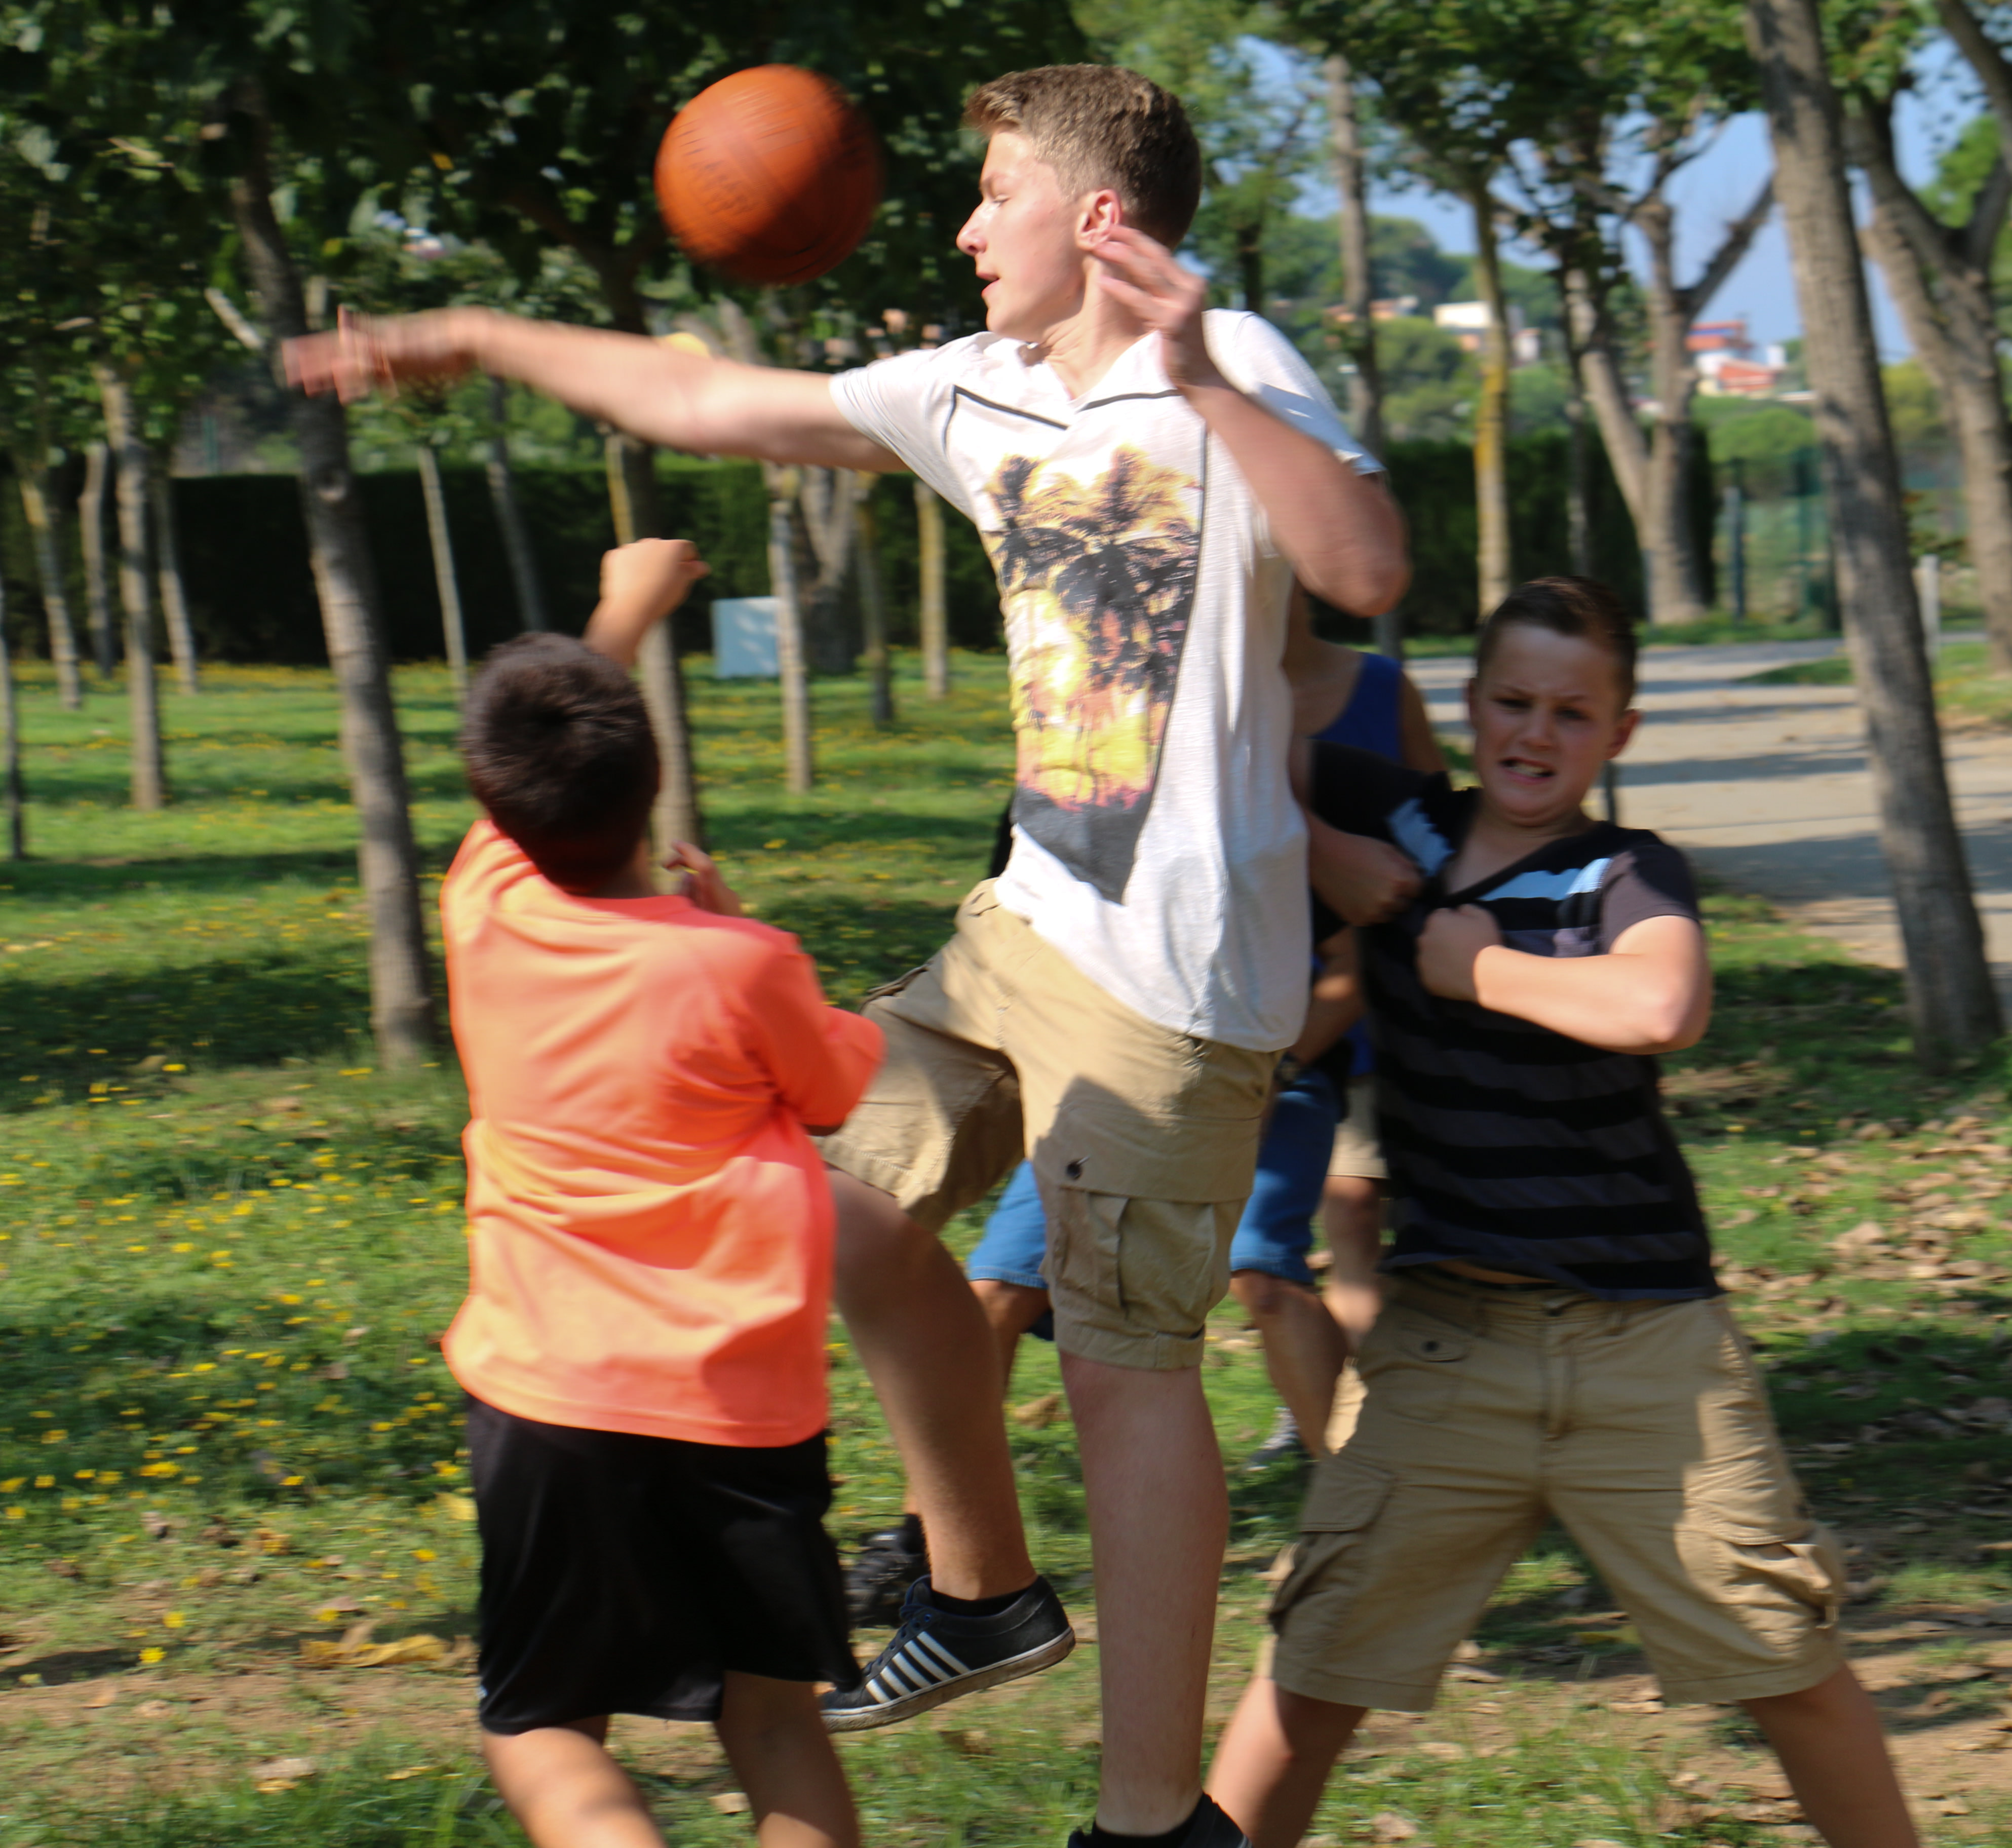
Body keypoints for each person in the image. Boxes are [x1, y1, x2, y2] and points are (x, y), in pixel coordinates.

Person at [291, 64, 1406, 1848]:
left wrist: (1199, 367)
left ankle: (1150, 1822)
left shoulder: (1236, 361)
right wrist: (478, 337)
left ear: (1096, 216)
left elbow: (1365, 563)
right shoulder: (972, 389)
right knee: (830, 1202)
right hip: (1026, 924)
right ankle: (984, 1588)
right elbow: (702, 395)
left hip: (1179, 980)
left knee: (1122, 1361)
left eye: (996, 193)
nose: (963, 229)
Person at [1205, 579, 1921, 1848]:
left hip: (1650, 1357)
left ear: (1619, 733)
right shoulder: (1401, 827)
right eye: (1513, 702)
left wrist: (1475, 964)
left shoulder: (1622, 872)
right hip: (1445, 1354)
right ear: (1469, 705)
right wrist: (1322, 846)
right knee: (1310, 1670)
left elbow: (1661, 1007)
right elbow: (1207, 748)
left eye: (1573, 714)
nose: (1535, 733)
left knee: (1789, 1666)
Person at [441, 538, 884, 1848]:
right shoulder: (743, 966)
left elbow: (534, 782)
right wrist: (736, 931)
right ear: (653, 789)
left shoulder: (482, 906)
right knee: (777, 1723)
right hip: (739, 1408)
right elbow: (834, 1087)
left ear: (497, 803)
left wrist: (620, 609)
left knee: (542, 1726)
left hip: (549, 1400)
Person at [939, 591, 1440, 1475]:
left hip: (1270, 1068)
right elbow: (1017, 940)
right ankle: (925, 1529)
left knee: (1267, 1269)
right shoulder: (1068, 778)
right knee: (996, 1289)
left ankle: (1366, 1498)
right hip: (1101, 1078)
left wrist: (1274, 1067)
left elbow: (1367, 943)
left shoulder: (1290, 778)